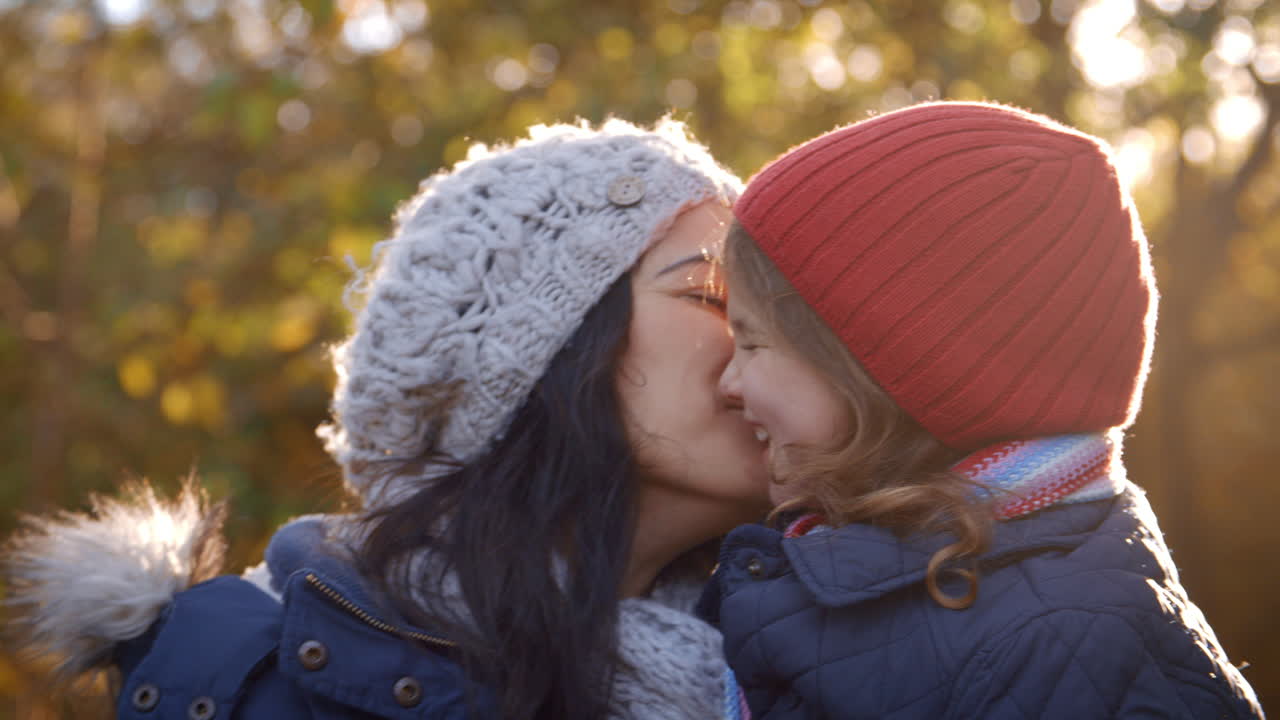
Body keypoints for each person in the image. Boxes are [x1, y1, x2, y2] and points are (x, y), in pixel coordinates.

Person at [5, 118, 772, 719]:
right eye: (709, 295)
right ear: (535, 355)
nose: (765, 341)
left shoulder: (800, 660)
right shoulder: (258, 685)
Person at [703, 101, 1265, 719]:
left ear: (873, 370)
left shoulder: (1070, 646)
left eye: (752, 343)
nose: (729, 381)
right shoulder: (904, 578)